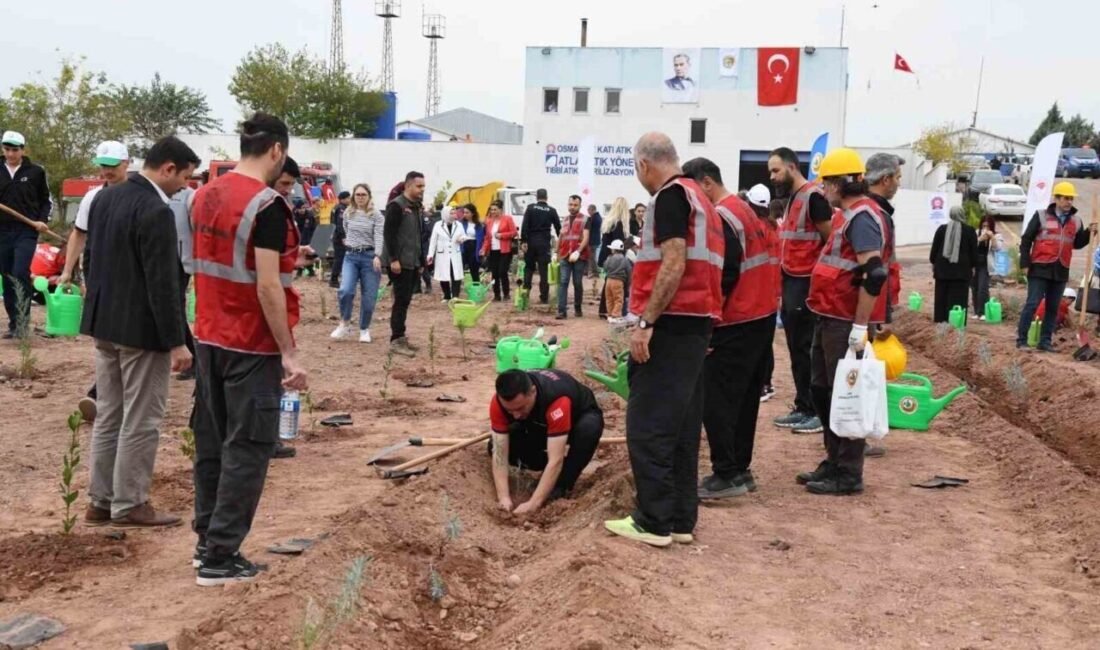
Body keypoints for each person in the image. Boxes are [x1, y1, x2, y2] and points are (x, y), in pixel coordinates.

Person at [190, 113, 311, 585]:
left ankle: (206, 544)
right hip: (251, 344)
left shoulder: (202, 195)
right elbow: (266, 288)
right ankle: (221, 557)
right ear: (277, 151)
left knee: (211, 443)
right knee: (249, 447)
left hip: (208, 337)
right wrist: (289, 351)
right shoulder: (267, 205)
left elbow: (215, 261)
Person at [604, 132, 724, 547]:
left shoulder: (671, 197)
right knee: (683, 426)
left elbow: (674, 260)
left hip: (671, 324)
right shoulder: (702, 200)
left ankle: (653, 520)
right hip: (696, 323)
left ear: (644, 165)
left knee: (648, 424)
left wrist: (646, 322)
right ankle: (679, 519)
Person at [80, 135, 198, 529]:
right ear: (167, 169)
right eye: (184, 177)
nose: (185, 185)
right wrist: (177, 341)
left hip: (105, 324)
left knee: (110, 414)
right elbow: (163, 284)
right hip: (141, 332)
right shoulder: (156, 210)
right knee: (142, 418)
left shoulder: (103, 198)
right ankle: (130, 503)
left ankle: (101, 500)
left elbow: (91, 260)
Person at [683, 158, 778, 500]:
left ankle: (727, 473)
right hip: (761, 315)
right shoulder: (743, 208)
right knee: (744, 398)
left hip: (737, 318)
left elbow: (725, 272)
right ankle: (740, 468)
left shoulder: (723, 216)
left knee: (718, 399)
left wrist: (708, 322)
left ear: (706, 183)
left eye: (694, 193)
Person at [800, 148, 894, 495]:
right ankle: (834, 460)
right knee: (823, 391)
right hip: (829, 315)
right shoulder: (849, 215)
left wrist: (860, 326)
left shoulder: (863, 218)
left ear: (841, 183)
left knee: (846, 393)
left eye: (826, 183)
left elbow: (874, 274)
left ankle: (848, 472)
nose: (823, 190)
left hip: (844, 320)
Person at [59, 141, 131, 422]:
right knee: (105, 336)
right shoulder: (92, 197)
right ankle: (103, 394)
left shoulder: (141, 196)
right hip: (99, 271)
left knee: (123, 337)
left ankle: (103, 394)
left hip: (130, 274)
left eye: (112, 166)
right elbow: (79, 234)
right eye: (103, 166)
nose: (107, 171)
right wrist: (67, 271)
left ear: (126, 163)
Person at [770, 147, 831, 435]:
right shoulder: (794, 198)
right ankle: (803, 405)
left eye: (776, 170)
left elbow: (829, 241)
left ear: (793, 167)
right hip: (791, 280)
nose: (772, 177)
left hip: (806, 283)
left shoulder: (814, 198)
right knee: (796, 347)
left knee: (806, 348)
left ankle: (816, 411)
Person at [490, 369, 604, 514]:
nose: (516, 415)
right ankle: (548, 470)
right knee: (494, 445)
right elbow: (499, 453)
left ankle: (562, 483)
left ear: (533, 392)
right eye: (510, 410)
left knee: (588, 430)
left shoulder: (557, 399)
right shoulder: (498, 404)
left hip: (577, 420)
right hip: (540, 423)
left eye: (520, 408)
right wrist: (504, 498)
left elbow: (555, 459)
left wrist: (533, 503)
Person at [1016, 181, 1094, 351]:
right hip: (1040, 266)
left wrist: (1089, 232)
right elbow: (1026, 239)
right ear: (1056, 199)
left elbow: (1077, 243)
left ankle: (1045, 341)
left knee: (1053, 306)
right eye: (1066, 198)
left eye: (1071, 198)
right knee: (1033, 303)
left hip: (1061, 269)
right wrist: (1025, 263)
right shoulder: (1042, 216)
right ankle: (1022, 340)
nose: (1069, 202)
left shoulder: (1076, 221)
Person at [0, 130, 52, 339]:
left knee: (20, 271)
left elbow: (46, 200)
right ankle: (14, 323)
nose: (11, 154)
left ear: (23, 150)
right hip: (2, 232)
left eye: (15, 149)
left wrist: (42, 221)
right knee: (7, 275)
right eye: (7, 149)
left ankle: (23, 322)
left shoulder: (36, 172)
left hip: (26, 231)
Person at [331, 183, 384, 343]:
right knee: (345, 290)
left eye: (363, 195)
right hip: (351, 256)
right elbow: (347, 230)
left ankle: (364, 328)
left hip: (370, 258)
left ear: (369, 196)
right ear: (354, 196)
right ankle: (345, 323)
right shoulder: (348, 213)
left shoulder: (377, 215)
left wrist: (377, 255)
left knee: (369, 296)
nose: (360, 197)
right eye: (358, 195)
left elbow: (379, 236)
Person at [382, 171, 426, 358]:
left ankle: (400, 337)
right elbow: (389, 234)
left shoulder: (415, 207)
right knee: (400, 301)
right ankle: (396, 340)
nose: (422, 190)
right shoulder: (397, 206)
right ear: (408, 186)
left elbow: (417, 236)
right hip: (399, 262)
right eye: (419, 186)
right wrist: (393, 259)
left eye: (423, 186)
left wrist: (421, 261)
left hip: (412, 261)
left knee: (405, 300)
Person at [744, 184, 780, 402]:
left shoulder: (756, 229)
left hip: (758, 295)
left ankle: (762, 384)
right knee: (766, 342)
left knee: (758, 344)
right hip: (772, 295)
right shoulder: (773, 227)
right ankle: (766, 383)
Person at [865, 153, 905, 312]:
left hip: (877, 300)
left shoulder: (875, 210)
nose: (899, 184)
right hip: (871, 303)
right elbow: (869, 268)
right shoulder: (870, 213)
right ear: (886, 179)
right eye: (898, 177)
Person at [169, 180, 198, 381]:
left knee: (175, 308)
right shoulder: (152, 193)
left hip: (179, 261)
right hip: (155, 258)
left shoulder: (189, 196)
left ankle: (192, 360)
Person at [929, 207, 979, 323]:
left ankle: (941, 324)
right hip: (961, 273)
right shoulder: (970, 231)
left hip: (942, 272)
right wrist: (973, 266)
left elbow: (933, 253)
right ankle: (956, 324)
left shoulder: (941, 229)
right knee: (959, 300)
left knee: (942, 299)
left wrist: (935, 263)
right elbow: (974, 254)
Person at [520, 189, 561, 304]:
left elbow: (525, 225)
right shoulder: (552, 210)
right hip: (544, 243)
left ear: (537, 197)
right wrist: (561, 242)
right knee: (544, 271)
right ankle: (544, 297)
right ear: (547, 197)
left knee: (528, 268)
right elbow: (559, 228)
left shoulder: (530, 208)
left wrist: (524, 241)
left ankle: (525, 294)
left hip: (531, 242)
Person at [556, 195, 589, 320]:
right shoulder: (564, 220)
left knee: (577, 282)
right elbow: (561, 237)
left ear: (580, 206)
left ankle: (577, 307)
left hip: (579, 256)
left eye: (575, 205)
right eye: (570, 204)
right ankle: (561, 310)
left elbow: (586, 237)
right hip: (565, 254)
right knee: (563, 282)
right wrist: (555, 252)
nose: (572, 207)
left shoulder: (585, 219)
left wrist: (578, 252)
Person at [598, 198, 632, 319]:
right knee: (616, 285)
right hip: (615, 256)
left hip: (605, 255)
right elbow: (618, 242)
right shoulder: (619, 224)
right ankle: (614, 311)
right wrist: (629, 243)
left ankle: (604, 309)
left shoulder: (609, 222)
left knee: (608, 283)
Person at [481, 199, 518, 301]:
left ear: (500, 210)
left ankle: (506, 293)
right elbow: (487, 238)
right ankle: (497, 294)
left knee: (502, 272)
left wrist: (502, 235)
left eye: (495, 209)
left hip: (505, 250)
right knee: (494, 273)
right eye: (491, 210)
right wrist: (484, 249)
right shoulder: (489, 222)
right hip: (493, 250)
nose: (493, 212)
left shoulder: (507, 219)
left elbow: (514, 232)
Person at [427, 206, 467, 300]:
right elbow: (433, 241)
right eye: (451, 213)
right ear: (445, 214)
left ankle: (455, 296)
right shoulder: (438, 225)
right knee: (443, 275)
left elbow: (464, 236)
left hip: (455, 253)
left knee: (456, 275)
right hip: (442, 254)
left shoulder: (458, 225)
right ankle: (447, 295)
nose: (454, 215)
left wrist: (461, 239)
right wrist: (430, 255)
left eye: (454, 213)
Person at [973, 215, 1005, 319]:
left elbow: (998, 248)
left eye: (987, 226)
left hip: (986, 263)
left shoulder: (997, 235)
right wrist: (980, 239)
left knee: (983, 287)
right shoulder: (976, 232)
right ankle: (976, 311)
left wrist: (992, 237)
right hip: (975, 262)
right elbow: (970, 246)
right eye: (983, 226)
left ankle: (983, 312)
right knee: (975, 287)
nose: (985, 228)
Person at [602, 240, 631, 324]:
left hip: (608, 280)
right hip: (618, 281)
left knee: (609, 299)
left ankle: (610, 314)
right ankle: (616, 315)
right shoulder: (625, 259)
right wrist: (628, 283)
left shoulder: (609, 258)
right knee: (618, 299)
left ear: (614, 249)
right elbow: (629, 271)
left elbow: (605, 267)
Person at [329, 190, 351, 288]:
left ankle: (339, 278)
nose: (350, 200)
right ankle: (333, 280)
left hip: (337, 236)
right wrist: (343, 237)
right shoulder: (341, 209)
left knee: (341, 258)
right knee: (339, 258)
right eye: (349, 198)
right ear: (343, 199)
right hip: (339, 238)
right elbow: (340, 225)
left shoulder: (335, 207)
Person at [293, 199, 318, 277]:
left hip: (308, 237)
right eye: (300, 208)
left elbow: (313, 227)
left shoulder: (309, 215)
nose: (302, 210)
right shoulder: (294, 216)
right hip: (298, 238)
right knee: (299, 255)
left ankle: (310, 270)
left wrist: (313, 237)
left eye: (304, 208)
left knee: (308, 255)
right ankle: (300, 270)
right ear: (297, 209)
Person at [419, 204, 440, 294]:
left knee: (424, 266)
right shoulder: (411, 217)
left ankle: (428, 284)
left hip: (423, 245)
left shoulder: (425, 218)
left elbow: (428, 231)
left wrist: (420, 240)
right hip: (413, 245)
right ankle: (416, 286)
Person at [459, 203, 482, 283]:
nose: (465, 214)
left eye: (467, 212)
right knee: (459, 267)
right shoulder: (461, 223)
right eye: (464, 212)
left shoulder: (478, 225)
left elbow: (481, 238)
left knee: (474, 269)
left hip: (474, 246)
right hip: (463, 246)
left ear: (473, 213)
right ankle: (456, 288)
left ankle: (476, 288)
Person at [586, 204, 602, 277]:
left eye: (588, 210)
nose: (588, 212)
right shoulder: (598, 217)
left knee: (591, 257)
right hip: (596, 240)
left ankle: (591, 272)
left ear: (592, 210)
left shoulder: (594, 218)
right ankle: (595, 271)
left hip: (592, 241)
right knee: (593, 257)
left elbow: (590, 229)